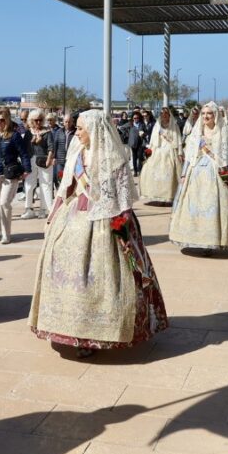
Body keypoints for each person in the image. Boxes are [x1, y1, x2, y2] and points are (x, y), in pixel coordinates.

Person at [28, 110, 168, 358]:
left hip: (105, 222)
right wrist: (53, 216)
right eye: (78, 128)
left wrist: (124, 228)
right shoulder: (76, 155)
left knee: (104, 278)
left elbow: (124, 200)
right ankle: (70, 326)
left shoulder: (115, 158)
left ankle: (98, 331)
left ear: (94, 130)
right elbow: (65, 190)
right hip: (73, 219)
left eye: (81, 128)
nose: (77, 132)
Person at [170, 103, 228, 252]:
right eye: (203, 113)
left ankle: (212, 240)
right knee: (194, 206)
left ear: (215, 115)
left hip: (216, 173)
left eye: (209, 114)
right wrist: (183, 174)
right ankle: (196, 238)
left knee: (214, 206)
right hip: (196, 173)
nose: (206, 116)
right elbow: (189, 156)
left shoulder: (221, 133)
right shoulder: (197, 133)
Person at [0, 107, 31, 244]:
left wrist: (27, 169)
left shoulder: (14, 136)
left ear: (7, 121)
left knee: (4, 203)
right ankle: (2, 231)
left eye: (2, 120)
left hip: (10, 175)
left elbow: (24, 154)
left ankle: (6, 235)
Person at [138, 106, 183, 204]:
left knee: (170, 170)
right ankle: (157, 196)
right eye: (162, 114)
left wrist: (180, 152)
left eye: (166, 113)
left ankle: (169, 195)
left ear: (169, 115)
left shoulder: (174, 126)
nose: (164, 115)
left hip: (170, 149)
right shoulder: (157, 125)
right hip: (158, 149)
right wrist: (150, 150)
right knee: (151, 169)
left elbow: (178, 140)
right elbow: (153, 139)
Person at [21, 109, 55, 218]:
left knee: (46, 185)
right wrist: (32, 142)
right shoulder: (28, 133)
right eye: (36, 120)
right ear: (31, 121)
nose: (38, 122)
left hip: (44, 160)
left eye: (40, 120)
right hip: (31, 160)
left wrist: (49, 160)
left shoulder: (47, 132)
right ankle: (29, 209)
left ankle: (45, 209)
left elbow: (51, 148)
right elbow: (24, 149)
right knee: (29, 184)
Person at [52, 113, 76, 187]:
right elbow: (55, 145)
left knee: (70, 178)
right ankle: (60, 192)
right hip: (60, 160)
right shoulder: (59, 132)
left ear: (72, 122)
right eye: (66, 121)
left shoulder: (76, 132)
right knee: (59, 177)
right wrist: (54, 157)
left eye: (69, 121)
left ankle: (68, 194)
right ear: (63, 122)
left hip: (72, 160)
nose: (67, 123)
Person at [126, 111, 148, 176]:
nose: (136, 119)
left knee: (140, 157)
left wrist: (143, 134)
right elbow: (122, 128)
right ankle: (135, 171)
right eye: (135, 118)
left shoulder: (142, 124)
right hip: (133, 143)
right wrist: (128, 135)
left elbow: (146, 132)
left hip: (140, 143)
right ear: (132, 118)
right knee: (134, 157)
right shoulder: (130, 124)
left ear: (139, 118)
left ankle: (140, 170)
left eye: (137, 118)